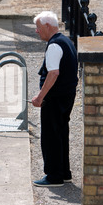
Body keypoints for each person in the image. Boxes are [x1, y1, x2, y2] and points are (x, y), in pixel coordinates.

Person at [31, 11, 78, 187]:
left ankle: (54, 176)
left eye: (38, 27)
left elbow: (53, 73)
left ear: (47, 26)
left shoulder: (54, 46)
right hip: (67, 95)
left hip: (55, 98)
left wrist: (40, 97)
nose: (37, 31)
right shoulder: (67, 41)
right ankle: (64, 172)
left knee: (50, 136)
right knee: (61, 133)